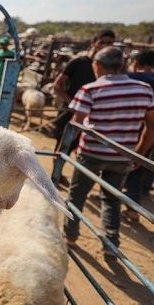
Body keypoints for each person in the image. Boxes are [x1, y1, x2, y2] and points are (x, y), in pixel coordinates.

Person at [63, 46, 154, 256]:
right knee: (112, 199)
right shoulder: (143, 89)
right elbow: (151, 126)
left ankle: (70, 236)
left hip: (91, 154)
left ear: (97, 65)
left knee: (77, 196)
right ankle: (111, 244)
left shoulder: (91, 89)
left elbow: (75, 126)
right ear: (122, 65)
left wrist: (63, 152)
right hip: (123, 155)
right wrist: (138, 154)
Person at [53, 30, 116, 156]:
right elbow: (57, 85)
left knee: (81, 146)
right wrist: (72, 104)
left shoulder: (111, 68)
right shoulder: (77, 62)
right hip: (70, 112)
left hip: (93, 117)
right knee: (63, 145)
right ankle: (56, 173)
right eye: (102, 42)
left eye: (110, 43)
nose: (105, 46)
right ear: (93, 43)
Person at [123, 49, 154, 222]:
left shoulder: (132, 79)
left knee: (132, 166)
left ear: (135, 63)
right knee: (146, 166)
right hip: (149, 132)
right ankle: (141, 194)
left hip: (137, 130)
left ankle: (130, 206)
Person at [0, 36, 16, 111]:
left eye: (4, 44)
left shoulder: (12, 54)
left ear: (7, 44)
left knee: (5, 93)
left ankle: (3, 108)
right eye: (1, 44)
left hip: (7, 77)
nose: (2, 45)